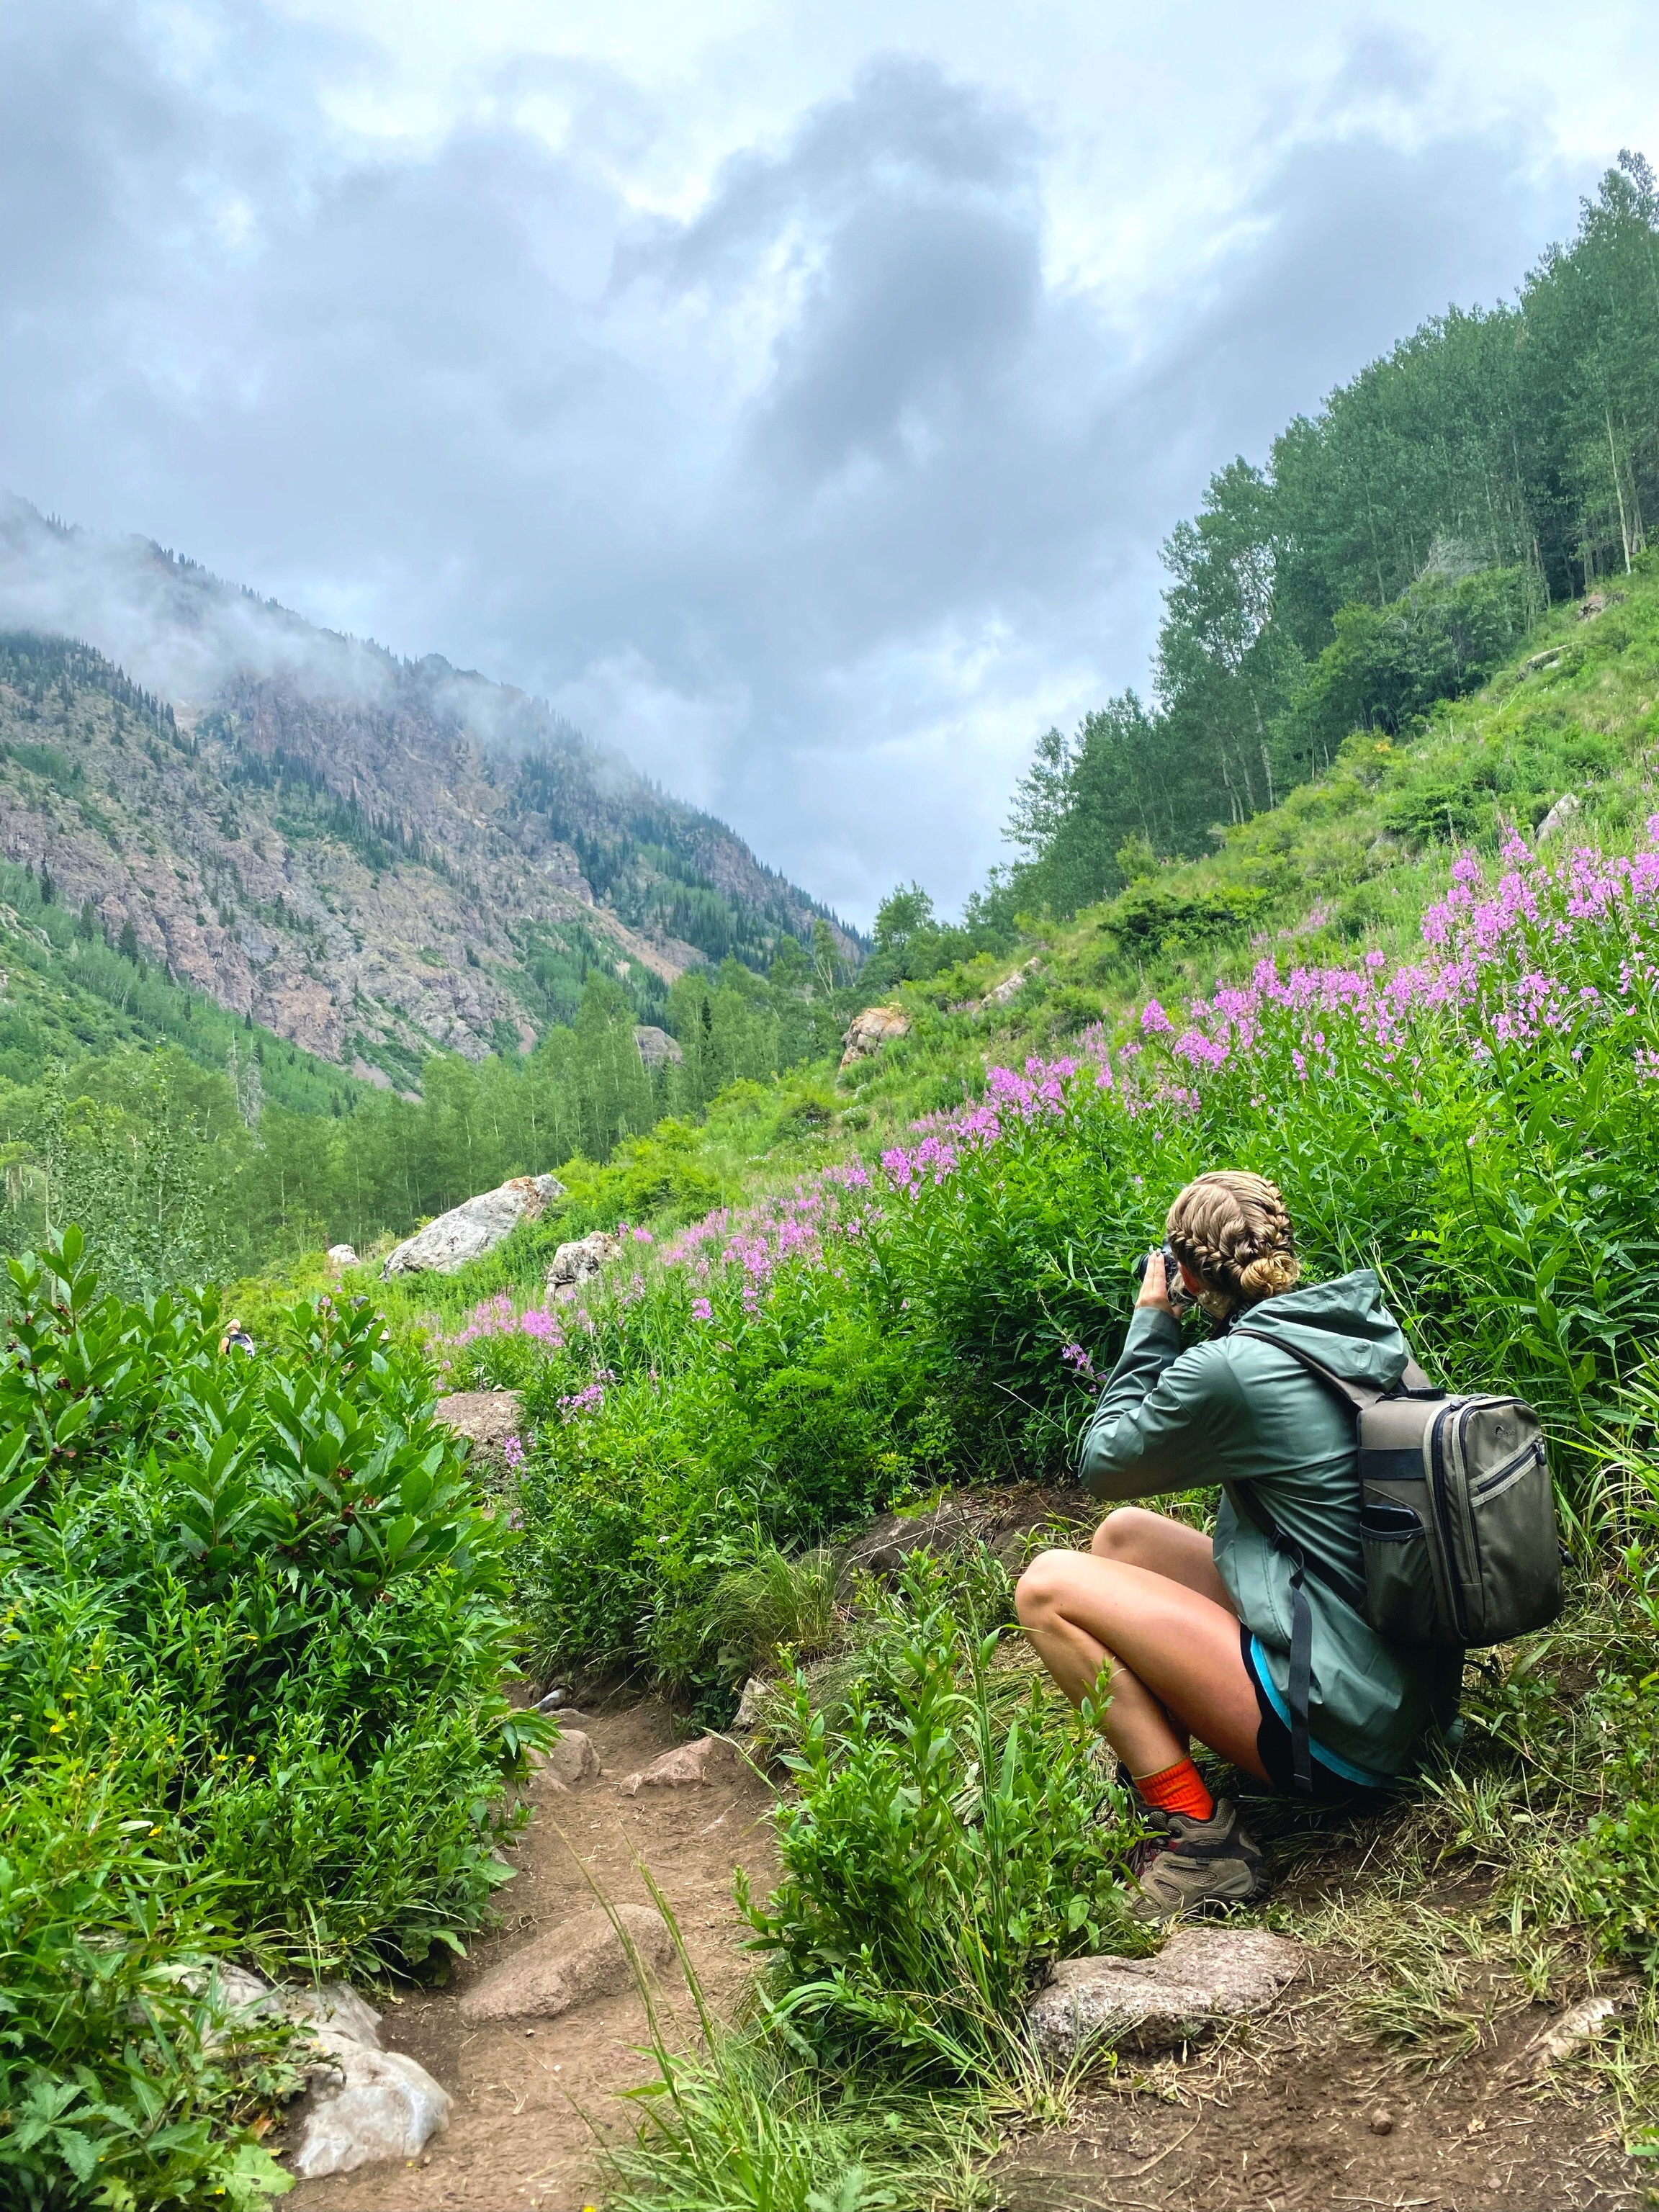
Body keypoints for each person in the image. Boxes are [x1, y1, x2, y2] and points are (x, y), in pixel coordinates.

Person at [1015, 1170, 1462, 1920]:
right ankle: (1167, 1779)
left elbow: (1103, 1463)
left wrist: (1153, 1318)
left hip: (1343, 1735)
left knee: (1048, 1588)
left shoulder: (1231, 1369)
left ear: (1188, 1272)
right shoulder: (1358, 1327)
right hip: (1409, 1693)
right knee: (1123, 1541)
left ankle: (1198, 1839)